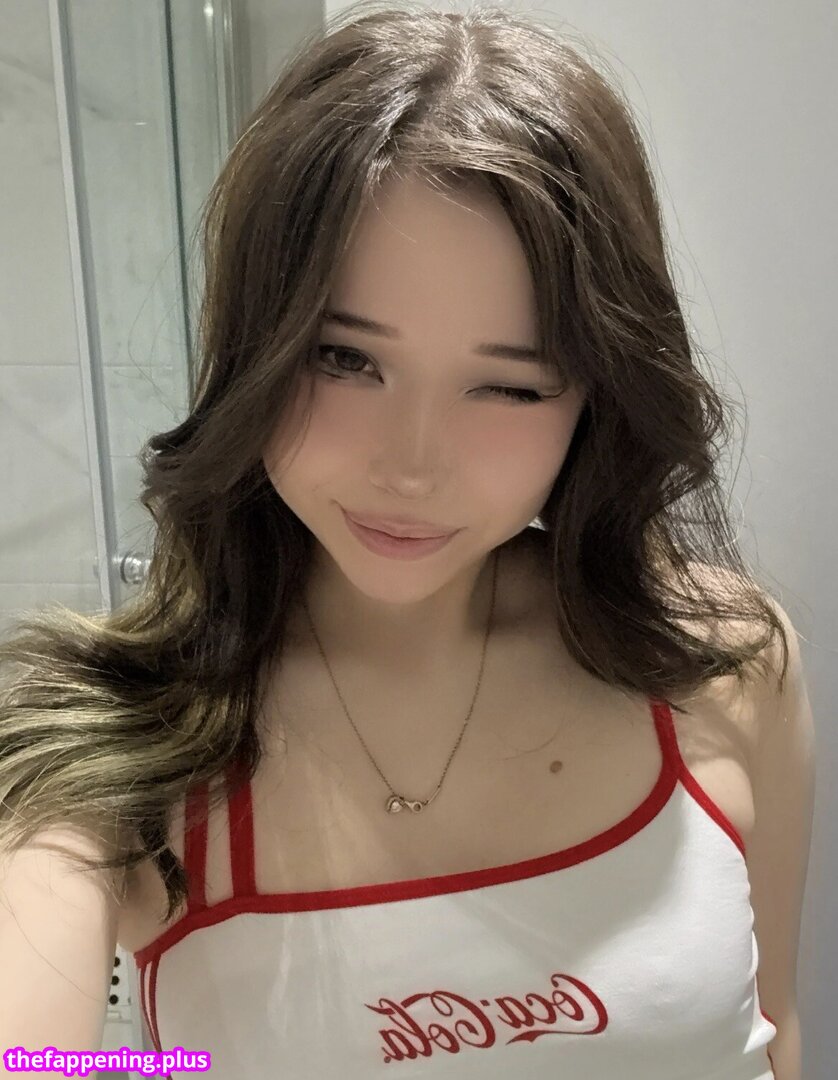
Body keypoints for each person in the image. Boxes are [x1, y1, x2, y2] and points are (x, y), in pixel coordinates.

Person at [0, 3, 815, 1079]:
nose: (413, 465)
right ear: (257, 346)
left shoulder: (722, 662)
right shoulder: (116, 746)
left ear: (598, 397)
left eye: (510, 386)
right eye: (346, 360)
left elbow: (772, 1027)